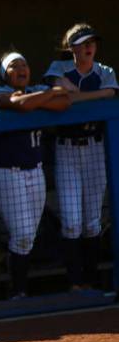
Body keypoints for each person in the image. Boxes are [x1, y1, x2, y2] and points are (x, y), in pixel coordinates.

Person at [0, 51, 70, 298]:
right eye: (14, 65)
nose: (21, 68)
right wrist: (50, 94)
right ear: (4, 73)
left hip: (35, 169)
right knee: (22, 233)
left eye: (24, 63)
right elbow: (20, 104)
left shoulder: (36, 88)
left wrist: (45, 95)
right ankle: (18, 292)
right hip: (4, 171)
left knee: (27, 236)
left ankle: (19, 289)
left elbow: (65, 101)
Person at [43, 24, 118, 290]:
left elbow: (109, 94)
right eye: (83, 43)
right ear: (71, 47)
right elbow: (58, 92)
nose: (89, 47)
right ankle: (75, 282)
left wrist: (76, 96)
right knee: (72, 221)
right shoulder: (58, 68)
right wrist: (88, 97)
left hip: (95, 148)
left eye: (92, 43)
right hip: (67, 148)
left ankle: (93, 279)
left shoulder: (105, 71)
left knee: (92, 221)